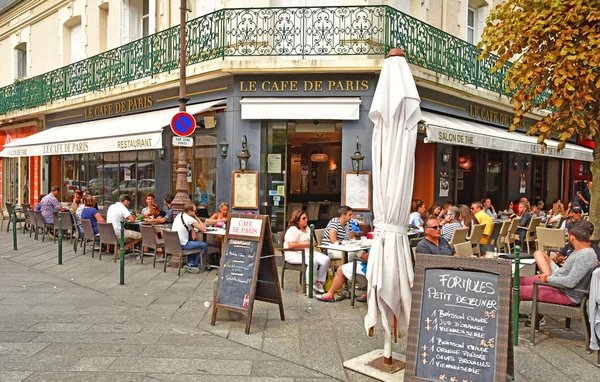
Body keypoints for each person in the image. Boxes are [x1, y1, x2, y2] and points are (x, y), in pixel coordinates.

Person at [520, 220, 599, 327]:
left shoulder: (585, 256)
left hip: (567, 294)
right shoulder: (582, 251)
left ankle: (504, 322)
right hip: (559, 286)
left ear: (572, 237)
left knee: (516, 291)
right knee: (517, 281)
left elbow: (570, 282)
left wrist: (547, 278)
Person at [284, 209, 331, 294]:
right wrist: (307, 244)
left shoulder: (308, 228)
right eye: (304, 218)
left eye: (306, 218)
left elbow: (314, 242)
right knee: (313, 260)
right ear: (297, 220)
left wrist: (308, 244)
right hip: (294, 254)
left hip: (308, 252)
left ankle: (318, 282)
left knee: (326, 259)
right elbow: (291, 245)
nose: (306, 220)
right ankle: (308, 284)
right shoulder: (293, 229)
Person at [171, 203, 208, 273]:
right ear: (189, 211)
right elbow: (203, 229)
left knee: (192, 239)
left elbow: (186, 225)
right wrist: (197, 218)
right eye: (194, 211)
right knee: (204, 245)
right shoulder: (190, 219)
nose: (195, 212)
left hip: (175, 244)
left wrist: (193, 230)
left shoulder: (180, 215)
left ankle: (190, 263)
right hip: (183, 244)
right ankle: (193, 265)